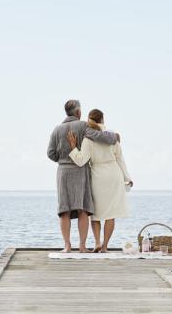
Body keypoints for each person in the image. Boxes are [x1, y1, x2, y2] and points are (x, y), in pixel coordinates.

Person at [47, 99, 119, 253]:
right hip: (80, 172)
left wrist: (62, 159)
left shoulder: (56, 129)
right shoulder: (83, 126)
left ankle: (67, 246)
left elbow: (50, 153)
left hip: (63, 172)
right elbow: (99, 136)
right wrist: (114, 137)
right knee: (83, 210)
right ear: (78, 112)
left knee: (64, 210)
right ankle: (82, 246)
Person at [67, 108, 132, 253]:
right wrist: (127, 178)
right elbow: (120, 159)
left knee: (95, 213)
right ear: (102, 120)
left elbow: (80, 161)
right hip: (114, 175)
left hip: (97, 177)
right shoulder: (112, 137)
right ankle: (104, 246)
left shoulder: (87, 138)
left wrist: (73, 147)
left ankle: (97, 242)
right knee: (111, 213)